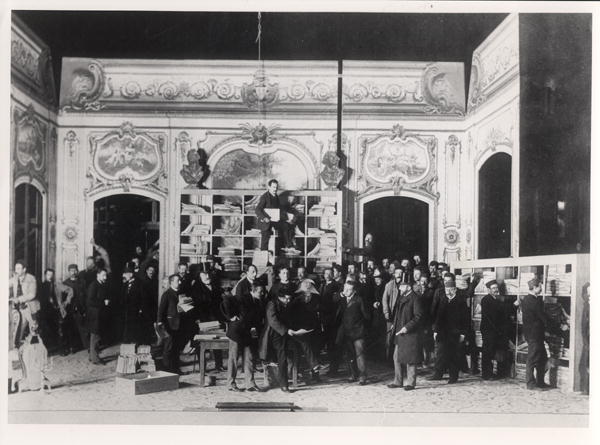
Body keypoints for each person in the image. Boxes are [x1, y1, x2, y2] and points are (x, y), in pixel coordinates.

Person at [223, 283, 265, 392]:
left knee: (249, 358)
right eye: (260, 292)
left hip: (247, 333)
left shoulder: (258, 301)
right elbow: (226, 300)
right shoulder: (243, 297)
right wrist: (230, 316)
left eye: (263, 292)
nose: (262, 294)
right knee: (234, 359)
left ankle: (250, 384)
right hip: (236, 332)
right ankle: (230, 384)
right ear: (253, 290)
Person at [430, 276, 470, 384]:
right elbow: (439, 317)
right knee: (440, 353)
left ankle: (453, 377)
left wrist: (463, 334)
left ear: (455, 290)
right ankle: (438, 374)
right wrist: (435, 331)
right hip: (443, 333)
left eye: (451, 290)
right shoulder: (443, 300)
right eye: (447, 290)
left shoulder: (461, 302)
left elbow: (466, 320)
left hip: (455, 334)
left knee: (454, 355)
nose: (448, 292)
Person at [388, 277, 424, 390]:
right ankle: (398, 381)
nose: (399, 288)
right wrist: (395, 324)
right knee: (396, 357)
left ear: (408, 287)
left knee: (411, 359)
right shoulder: (402, 297)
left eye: (402, 286)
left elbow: (418, 316)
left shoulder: (415, 298)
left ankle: (410, 383)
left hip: (410, 333)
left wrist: (407, 327)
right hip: (400, 332)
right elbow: (398, 314)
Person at [259, 290, 296, 392]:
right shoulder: (272, 304)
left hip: (282, 334)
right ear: (280, 297)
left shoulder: (285, 304)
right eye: (286, 298)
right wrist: (286, 330)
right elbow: (273, 321)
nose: (288, 301)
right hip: (272, 335)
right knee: (278, 358)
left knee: (283, 357)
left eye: (289, 299)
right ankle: (281, 384)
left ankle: (284, 384)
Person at [335, 280, 371, 385]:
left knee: (360, 354)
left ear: (354, 291)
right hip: (346, 332)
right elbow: (334, 299)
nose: (346, 291)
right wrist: (341, 294)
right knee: (349, 355)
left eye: (349, 289)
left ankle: (362, 376)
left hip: (358, 332)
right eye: (345, 288)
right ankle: (353, 374)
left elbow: (367, 316)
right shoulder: (341, 299)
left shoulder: (359, 300)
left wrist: (363, 327)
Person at [191, 270, 225, 371]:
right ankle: (203, 367)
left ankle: (219, 365)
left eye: (207, 274)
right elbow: (194, 306)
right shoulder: (196, 289)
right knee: (202, 343)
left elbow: (220, 303)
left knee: (217, 341)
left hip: (215, 318)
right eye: (203, 275)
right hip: (203, 319)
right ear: (200, 278)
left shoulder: (215, 287)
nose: (206, 276)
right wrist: (196, 318)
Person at [290, 280, 323, 382]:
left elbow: (320, 312)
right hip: (300, 330)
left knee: (315, 347)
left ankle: (315, 374)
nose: (307, 295)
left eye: (309, 293)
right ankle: (310, 369)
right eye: (305, 293)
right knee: (305, 344)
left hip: (313, 328)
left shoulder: (317, 299)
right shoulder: (296, 300)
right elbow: (292, 317)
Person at [521, 278, 550, 390]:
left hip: (533, 334)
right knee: (532, 359)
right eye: (539, 286)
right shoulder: (535, 301)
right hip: (535, 335)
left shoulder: (526, 299)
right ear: (534, 288)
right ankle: (530, 384)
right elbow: (542, 317)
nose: (541, 288)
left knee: (542, 358)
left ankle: (540, 382)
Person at [38, 268, 75, 355]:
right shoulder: (41, 285)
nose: (50, 277)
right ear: (45, 275)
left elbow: (71, 290)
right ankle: (46, 351)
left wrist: (66, 302)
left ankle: (61, 350)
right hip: (45, 311)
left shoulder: (57, 285)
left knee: (59, 331)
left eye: (51, 275)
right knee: (45, 331)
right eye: (48, 275)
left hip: (56, 311)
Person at [480, 279, 511, 380]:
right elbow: (494, 315)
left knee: (494, 352)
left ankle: (494, 373)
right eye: (493, 288)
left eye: (496, 288)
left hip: (495, 331)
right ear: (488, 290)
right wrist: (512, 307)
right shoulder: (486, 300)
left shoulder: (496, 299)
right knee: (487, 353)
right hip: (489, 331)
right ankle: (486, 374)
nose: (495, 290)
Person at [9, 260, 40, 349]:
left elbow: (32, 294)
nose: (16, 270)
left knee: (33, 329)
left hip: (30, 307)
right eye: (15, 268)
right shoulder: (15, 278)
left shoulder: (31, 279)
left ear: (24, 269)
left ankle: (35, 351)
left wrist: (18, 299)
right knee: (19, 328)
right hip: (19, 308)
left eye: (18, 268)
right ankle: (18, 348)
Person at [157, 274, 184, 373]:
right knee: (168, 348)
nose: (180, 282)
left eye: (180, 280)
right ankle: (167, 370)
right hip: (169, 325)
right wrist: (160, 324)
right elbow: (161, 311)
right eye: (178, 281)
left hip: (179, 325)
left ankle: (175, 369)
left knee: (176, 348)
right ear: (171, 282)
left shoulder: (181, 294)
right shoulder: (167, 294)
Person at [255, 179, 289, 251]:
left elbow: (278, 209)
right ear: (269, 187)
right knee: (265, 242)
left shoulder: (276, 197)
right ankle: (263, 260)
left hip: (274, 221)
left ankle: (286, 248)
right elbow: (257, 209)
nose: (275, 189)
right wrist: (264, 218)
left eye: (276, 187)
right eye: (273, 187)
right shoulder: (264, 197)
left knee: (286, 227)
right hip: (266, 222)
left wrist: (286, 216)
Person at [86, 268, 110, 365]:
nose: (105, 277)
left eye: (106, 275)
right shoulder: (93, 285)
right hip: (94, 315)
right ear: (98, 275)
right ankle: (95, 359)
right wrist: (103, 303)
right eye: (103, 275)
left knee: (96, 336)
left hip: (99, 314)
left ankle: (92, 356)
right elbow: (89, 301)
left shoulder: (101, 284)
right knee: (95, 336)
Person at [62, 264, 89, 350]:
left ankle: (87, 347)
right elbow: (63, 298)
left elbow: (86, 296)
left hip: (80, 308)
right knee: (70, 328)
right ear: (69, 272)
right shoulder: (65, 283)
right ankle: (71, 346)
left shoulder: (83, 282)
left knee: (83, 327)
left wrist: (85, 308)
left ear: (77, 271)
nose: (73, 272)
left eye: (75, 270)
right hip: (69, 309)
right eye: (71, 271)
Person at [382, 267, 404, 359]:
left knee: (399, 337)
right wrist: (386, 313)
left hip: (401, 315)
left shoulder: (405, 285)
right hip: (392, 314)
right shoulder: (389, 285)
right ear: (394, 274)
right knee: (389, 337)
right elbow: (384, 299)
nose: (399, 275)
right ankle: (388, 358)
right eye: (397, 273)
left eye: (400, 273)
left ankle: (399, 358)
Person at [121, 264, 144, 344]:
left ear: (131, 274)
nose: (124, 275)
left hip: (136, 310)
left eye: (125, 274)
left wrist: (141, 308)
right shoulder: (125, 283)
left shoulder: (139, 283)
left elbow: (143, 297)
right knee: (127, 326)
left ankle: (136, 341)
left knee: (135, 326)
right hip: (127, 310)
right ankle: (127, 341)